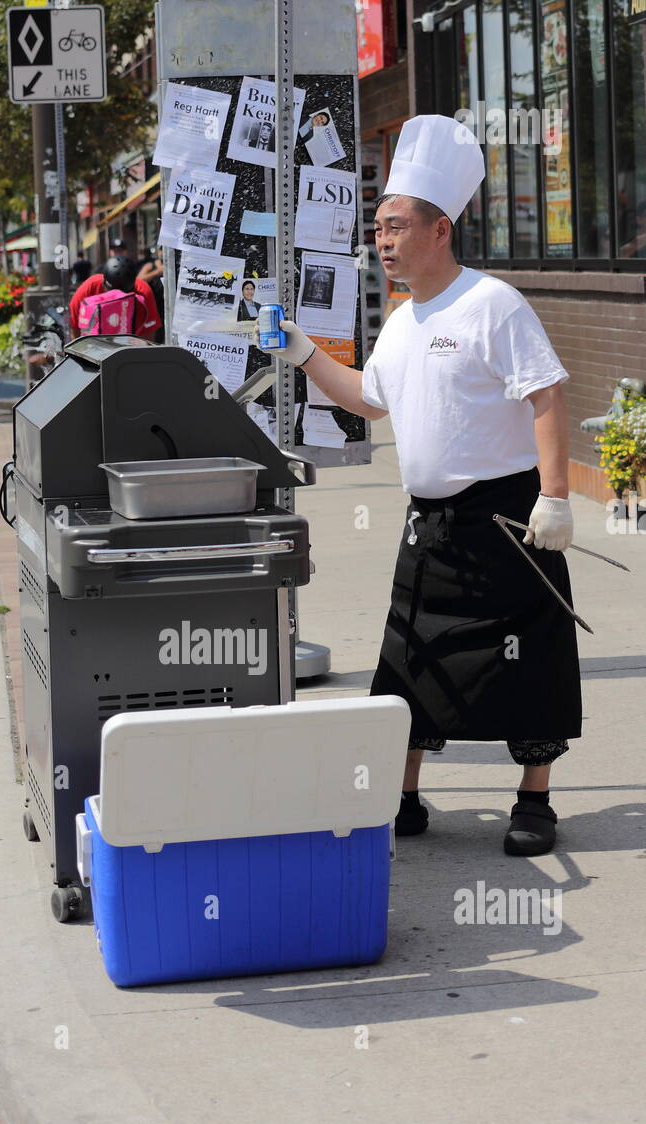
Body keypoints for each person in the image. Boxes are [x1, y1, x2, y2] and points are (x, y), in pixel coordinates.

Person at [267, 114, 579, 858]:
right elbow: (370, 398)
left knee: (527, 652)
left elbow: (546, 395)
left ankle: (534, 800)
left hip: (507, 518)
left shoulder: (492, 303)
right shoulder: (403, 321)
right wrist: (303, 351)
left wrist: (557, 495)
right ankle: (402, 797)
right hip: (427, 523)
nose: (382, 240)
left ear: (440, 230)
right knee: (405, 660)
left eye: (396, 226)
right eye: (378, 228)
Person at [69, 255, 161, 341]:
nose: (117, 298)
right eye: (112, 293)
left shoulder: (143, 292)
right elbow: (74, 326)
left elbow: (149, 332)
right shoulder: (89, 288)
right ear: (104, 282)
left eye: (123, 296)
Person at [137, 246, 165, 342]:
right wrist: (157, 272)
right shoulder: (150, 265)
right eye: (162, 249)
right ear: (158, 251)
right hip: (155, 307)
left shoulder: (173, 266)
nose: (163, 252)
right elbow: (139, 280)